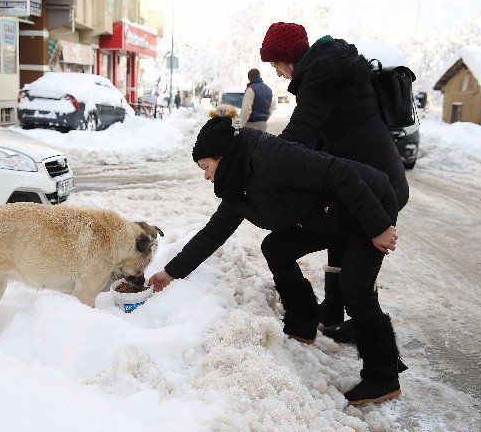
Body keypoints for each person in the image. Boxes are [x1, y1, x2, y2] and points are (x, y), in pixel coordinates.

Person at [149, 107, 407, 405]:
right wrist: (170, 272)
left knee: (355, 289)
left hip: (368, 203)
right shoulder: (236, 186)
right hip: (327, 217)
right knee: (276, 247)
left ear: (221, 157)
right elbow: (212, 234)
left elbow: (339, 173)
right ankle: (302, 321)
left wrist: (378, 226)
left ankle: (383, 377)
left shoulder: (269, 156)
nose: (206, 177)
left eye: (206, 167)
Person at [259, 22, 409, 343]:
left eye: (276, 65)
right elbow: (318, 136)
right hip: (368, 177)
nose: (278, 73)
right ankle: (333, 313)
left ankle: (377, 350)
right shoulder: (329, 68)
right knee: (343, 241)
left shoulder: (323, 77)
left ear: (289, 59)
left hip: (376, 186)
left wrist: (261, 160)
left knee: (357, 267)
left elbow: (298, 135)